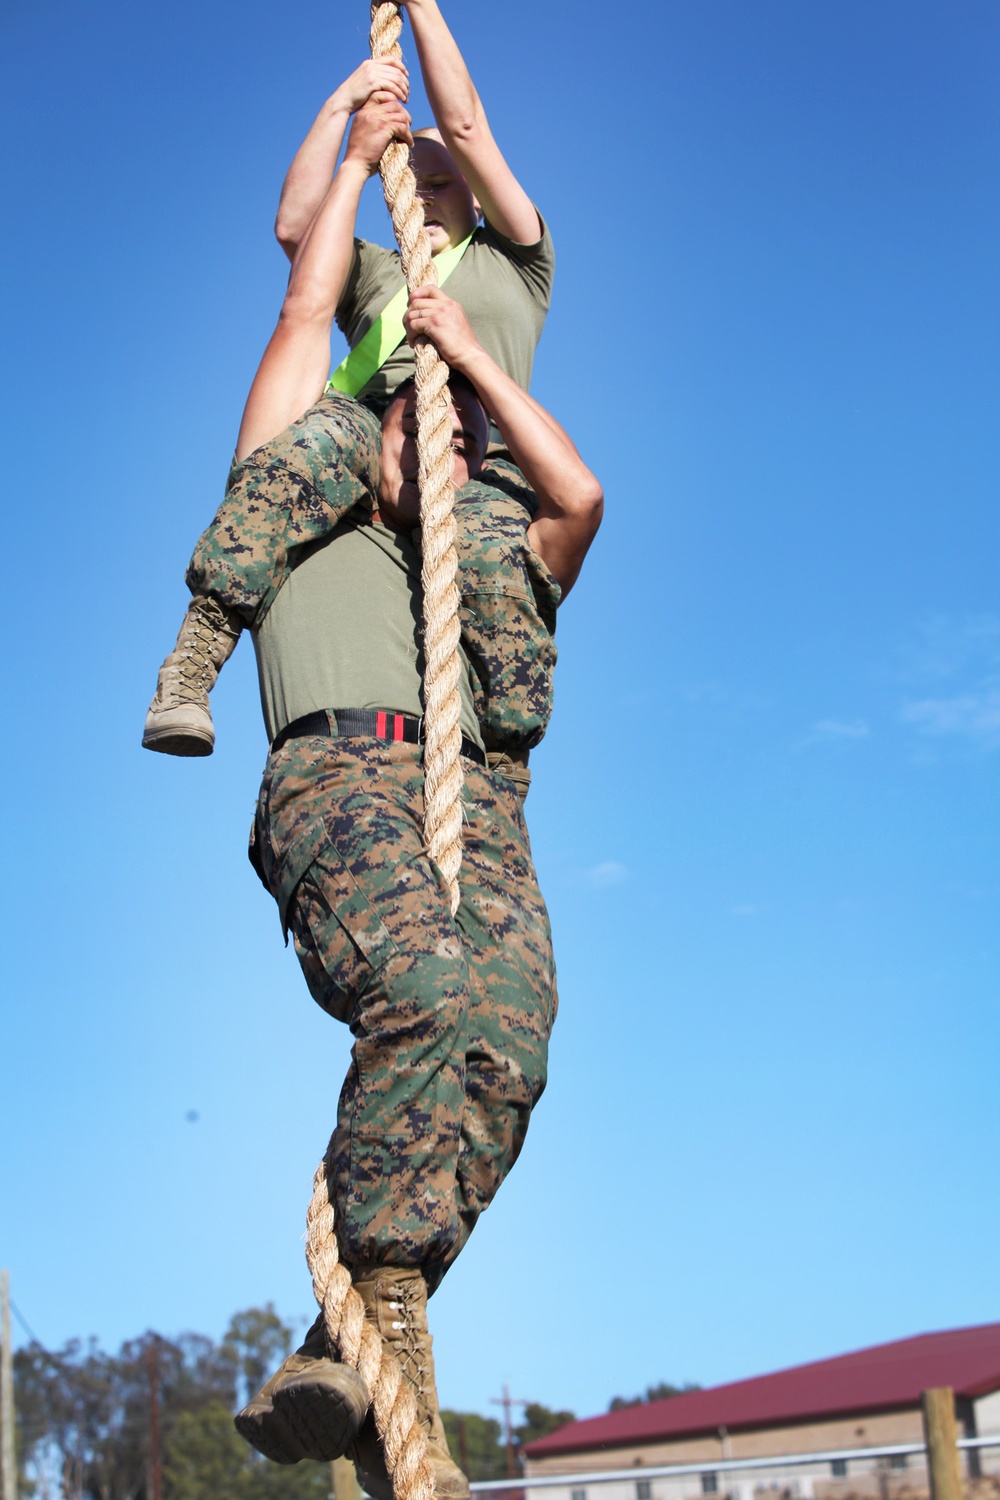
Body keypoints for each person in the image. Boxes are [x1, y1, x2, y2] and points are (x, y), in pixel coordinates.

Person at [183, 94, 600, 1498]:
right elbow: (308, 290)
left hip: (469, 794)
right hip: (334, 777)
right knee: (422, 983)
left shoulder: (475, 566)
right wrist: (360, 139)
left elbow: (580, 501)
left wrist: (473, 362)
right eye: (416, 412)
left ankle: (341, 1340)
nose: (442, 440)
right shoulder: (297, 484)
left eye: (460, 427)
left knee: (510, 1034)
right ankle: (385, 1317)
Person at [143, 0, 555, 757]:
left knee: (501, 561)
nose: (425, 193)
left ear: (475, 194)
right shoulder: (378, 274)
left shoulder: (518, 260)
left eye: (443, 182)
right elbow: (295, 230)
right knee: (296, 457)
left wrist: (420, 6)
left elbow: (465, 128)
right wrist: (346, 116)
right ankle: (195, 659)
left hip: (479, 450)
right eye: (414, 179)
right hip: (373, 429)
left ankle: (502, 758)